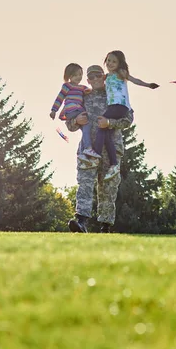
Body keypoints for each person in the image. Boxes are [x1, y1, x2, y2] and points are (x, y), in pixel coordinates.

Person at [66, 64, 133, 233]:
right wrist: (76, 122)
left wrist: (110, 123)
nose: (95, 79)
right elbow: (70, 124)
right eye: (92, 77)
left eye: (98, 76)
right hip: (88, 150)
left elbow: (128, 119)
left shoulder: (114, 94)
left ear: (104, 77)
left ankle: (105, 227)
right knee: (85, 184)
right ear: (87, 80)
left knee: (108, 189)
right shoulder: (83, 96)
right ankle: (81, 221)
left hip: (111, 150)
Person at [91, 50, 158, 180]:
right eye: (109, 60)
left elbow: (135, 80)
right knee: (106, 134)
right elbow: (98, 84)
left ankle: (95, 156)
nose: (110, 63)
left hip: (120, 106)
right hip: (113, 106)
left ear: (119, 64)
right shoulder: (107, 77)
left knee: (101, 125)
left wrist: (148, 85)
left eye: (114, 61)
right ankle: (114, 165)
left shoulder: (121, 73)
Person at [50, 63, 100, 160]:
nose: (79, 77)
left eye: (80, 74)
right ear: (69, 76)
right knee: (87, 122)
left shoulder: (82, 87)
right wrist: (54, 110)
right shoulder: (67, 86)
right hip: (72, 109)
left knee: (86, 126)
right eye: (75, 75)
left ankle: (87, 149)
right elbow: (59, 98)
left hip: (76, 110)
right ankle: (88, 148)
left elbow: (90, 90)